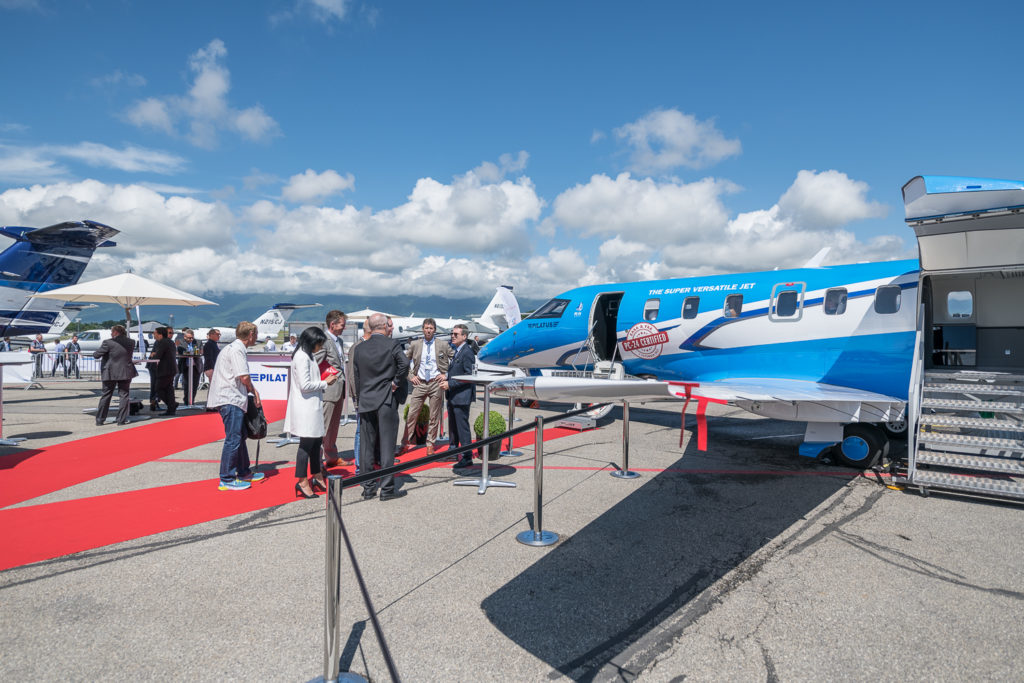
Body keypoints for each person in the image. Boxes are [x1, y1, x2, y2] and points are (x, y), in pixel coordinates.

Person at [351, 313, 409, 501]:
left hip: (366, 399)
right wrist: (396, 382)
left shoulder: (360, 348)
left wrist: (360, 398)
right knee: (387, 445)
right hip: (386, 399)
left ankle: (368, 487)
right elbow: (405, 364)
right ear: (384, 326)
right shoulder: (392, 344)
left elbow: (357, 376)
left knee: (367, 447)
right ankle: (386, 489)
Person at [207, 321, 265, 491]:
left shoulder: (233, 348)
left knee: (239, 436)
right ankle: (226, 477)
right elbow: (244, 376)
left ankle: (243, 471)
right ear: (251, 335)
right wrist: (254, 392)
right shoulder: (237, 350)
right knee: (233, 438)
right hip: (230, 398)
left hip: (230, 398)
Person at [285, 326, 339, 498]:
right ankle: (302, 480)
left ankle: (317, 475)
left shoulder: (306, 354)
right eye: (319, 344)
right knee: (306, 446)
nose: (320, 348)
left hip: (312, 405)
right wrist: (325, 382)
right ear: (311, 342)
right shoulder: (302, 356)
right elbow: (305, 385)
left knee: (316, 444)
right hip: (305, 407)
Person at [399, 318, 451, 456]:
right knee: (411, 415)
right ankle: (405, 443)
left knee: (434, 416)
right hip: (420, 383)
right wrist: (411, 376)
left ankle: (430, 444)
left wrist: (446, 374)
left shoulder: (443, 344)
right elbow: (403, 362)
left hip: (435, 382)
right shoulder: (415, 344)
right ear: (422, 329)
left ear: (435, 330)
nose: (428, 330)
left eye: (431, 328)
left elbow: (456, 359)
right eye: (426, 328)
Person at [444, 323, 477, 469]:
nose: (452, 336)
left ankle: (466, 456)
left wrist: (450, 384)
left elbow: (468, 375)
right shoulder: (458, 350)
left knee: (462, 428)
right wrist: (445, 377)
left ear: (464, 336)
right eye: (452, 333)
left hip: (461, 396)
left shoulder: (467, 352)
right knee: (454, 427)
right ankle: (454, 451)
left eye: (456, 334)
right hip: (454, 396)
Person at [93, 325, 138, 425]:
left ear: (116, 332)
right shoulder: (131, 342)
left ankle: (100, 419)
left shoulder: (108, 342)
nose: (111, 334)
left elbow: (96, 355)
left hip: (110, 372)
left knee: (106, 395)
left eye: (112, 332)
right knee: (124, 395)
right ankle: (121, 420)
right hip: (126, 371)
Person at [320, 310, 348, 467]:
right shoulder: (323, 341)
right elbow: (316, 362)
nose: (344, 327)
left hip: (339, 389)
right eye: (342, 325)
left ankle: (331, 456)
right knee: (324, 426)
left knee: (334, 426)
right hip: (328, 390)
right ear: (333, 324)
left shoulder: (339, 341)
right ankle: (317, 460)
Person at [346, 321, 373, 474]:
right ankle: (358, 466)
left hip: (368, 396)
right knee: (360, 430)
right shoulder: (357, 347)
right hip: (361, 396)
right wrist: (356, 397)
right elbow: (352, 374)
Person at [150, 327, 178, 416]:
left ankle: (172, 405)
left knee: (158, 388)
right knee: (169, 389)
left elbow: (158, 356)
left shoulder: (162, 342)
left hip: (165, 369)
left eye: (155, 333)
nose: (154, 335)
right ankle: (171, 408)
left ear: (160, 334)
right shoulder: (170, 342)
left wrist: (153, 355)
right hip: (171, 369)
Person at [178, 327, 202, 405]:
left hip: (195, 367)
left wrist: (190, 353)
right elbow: (181, 352)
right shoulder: (180, 342)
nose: (191, 339)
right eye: (189, 338)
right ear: (185, 337)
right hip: (186, 367)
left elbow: (200, 352)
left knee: (195, 385)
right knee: (186, 385)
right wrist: (191, 353)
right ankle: (186, 401)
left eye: (192, 338)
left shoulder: (198, 342)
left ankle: (192, 401)